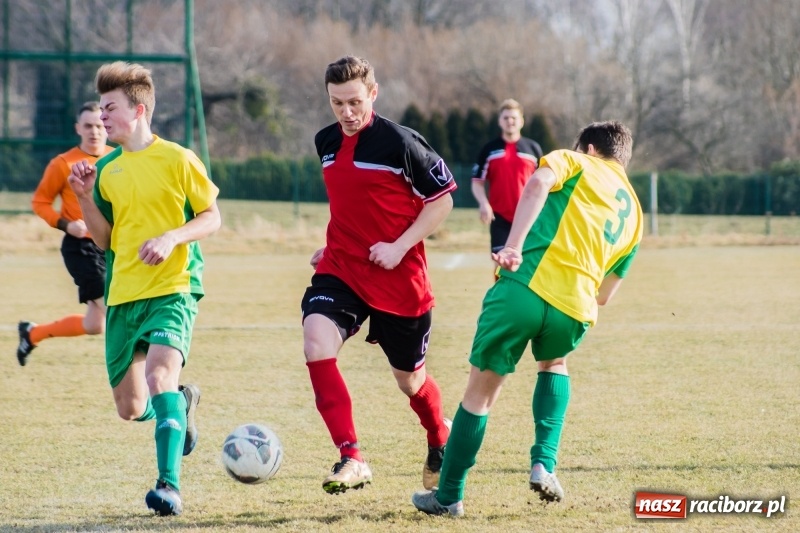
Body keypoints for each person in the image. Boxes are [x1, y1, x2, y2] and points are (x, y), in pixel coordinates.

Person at [412, 121, 643, 516]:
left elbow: (536, 185)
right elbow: (606, 295)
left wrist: (514, 246)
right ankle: (544, 465)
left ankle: (448, 496)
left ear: (589, 148)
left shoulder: (573, 160)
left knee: (480, 393)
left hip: (525, 287)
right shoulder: (636, 213)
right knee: (554, 363)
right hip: (576, 308)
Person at [68, 61, 220, 516]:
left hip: (174, 288)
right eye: (100, 109)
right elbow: (104, 239)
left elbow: (212, 216)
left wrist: (172, 237)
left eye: (110, 108)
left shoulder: (178, 159)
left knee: (159, 376)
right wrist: (83, 196)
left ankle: (168, 486)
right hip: (123, 294)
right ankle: (178, 407)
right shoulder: (106, 170)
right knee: (132, 407)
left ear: (138, 110)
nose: (102, 118)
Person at [301, 55, 456, 495]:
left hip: (399, 280)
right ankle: (351, 457)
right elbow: (351, 202)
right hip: (342, 268)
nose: (346, 113)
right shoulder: (325, 141)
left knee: (410, 381)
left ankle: (439, 435)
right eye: (337, 103)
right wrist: (333, 246)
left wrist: (399, 246)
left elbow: (442, 200)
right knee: (316, 344)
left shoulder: (400, 143)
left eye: (354, 102)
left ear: (373, 93)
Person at [16, 102, 114, 366]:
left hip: (112, 246)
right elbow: (40, 202)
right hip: (82, 248)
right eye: (88, 126)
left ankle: (32, 333)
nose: (94, 131)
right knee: (116, 312)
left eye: (99, 125)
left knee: (95, 324)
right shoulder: (63, 163)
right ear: (78, 128)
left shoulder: (118, 159)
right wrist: (66, 225)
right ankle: (157, 377)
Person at [471, 99, 543, 256]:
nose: (510, 121)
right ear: (499, 121)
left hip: (529, 216)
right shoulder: (489, 150)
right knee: (501, 262)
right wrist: (484, 204)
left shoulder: (533, 149)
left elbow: (543, 184)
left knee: (528, 262)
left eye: (514, 118)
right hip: (500, 217)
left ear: (521, 121)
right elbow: (477, 182)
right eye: (506, 118)